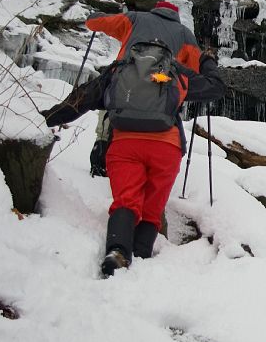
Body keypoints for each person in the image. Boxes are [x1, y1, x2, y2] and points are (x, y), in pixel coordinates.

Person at [41, 47, 226, 276]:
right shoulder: (175, 71)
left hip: (125, 144)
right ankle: (141, 257)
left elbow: (83, 99)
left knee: (125, 201)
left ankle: (117, 252)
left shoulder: (118, 70)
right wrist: (207, 60)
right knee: (152, 209)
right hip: (166, 148)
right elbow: (215, 87)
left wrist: (44, 118)